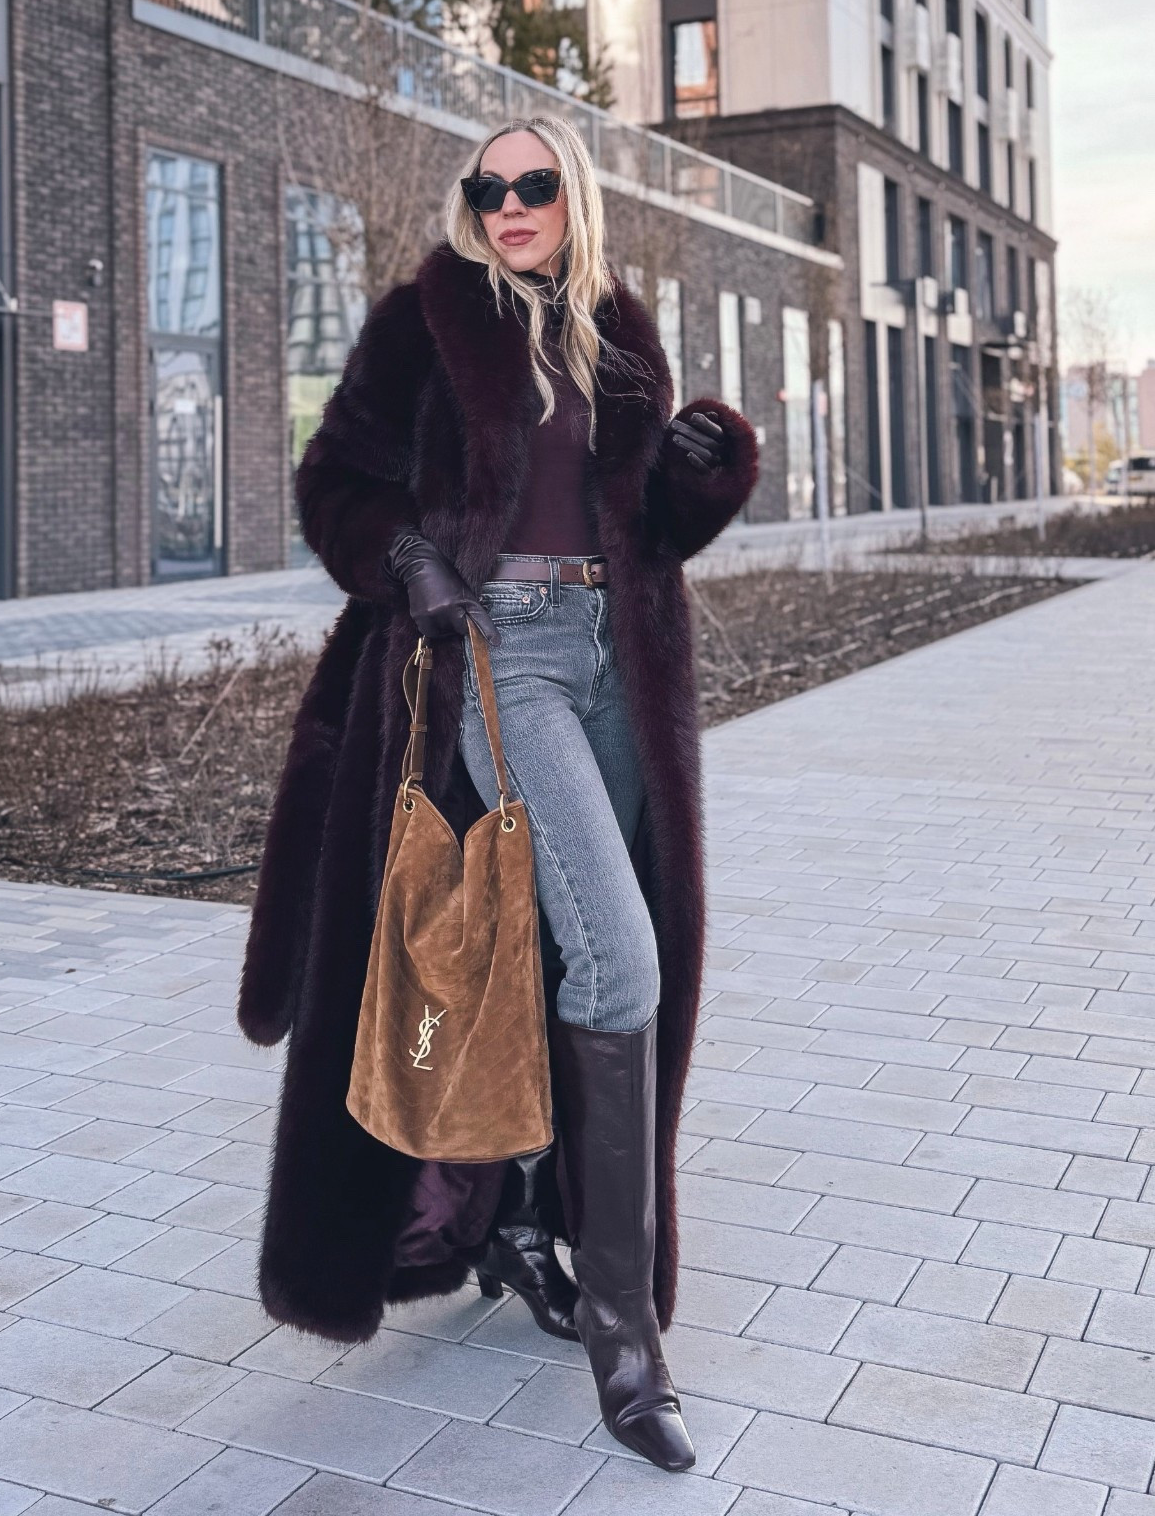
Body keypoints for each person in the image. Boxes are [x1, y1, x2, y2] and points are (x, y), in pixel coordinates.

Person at [238, 114, 758, 1474]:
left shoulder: (615, 327)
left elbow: (647, 528)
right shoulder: (423, 324)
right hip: (496, 653)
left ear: (570, 196)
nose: (514, 201)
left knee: (544, 955)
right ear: (471, 202)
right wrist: (406, 553)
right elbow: (331, 482)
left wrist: (707, 475)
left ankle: (522, 1213)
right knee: (621, 963)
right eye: (492, 186)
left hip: (617, 666)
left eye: (536, 183)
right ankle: (625, 1334)